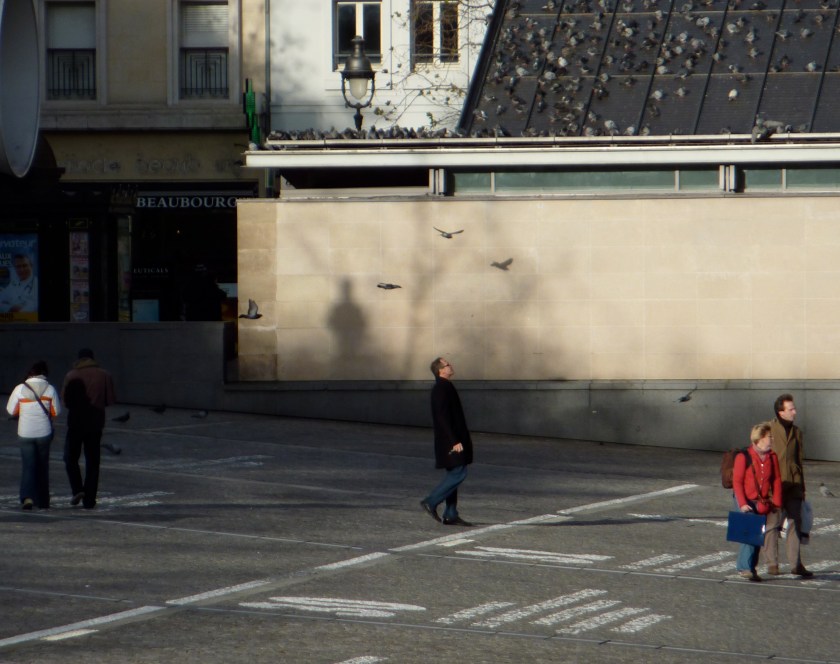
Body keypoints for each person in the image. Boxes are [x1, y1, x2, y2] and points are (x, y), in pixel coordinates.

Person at [420, 357, 474, 527]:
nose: (451, 366)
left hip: (452, 439)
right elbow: (442, 418)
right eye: (447, 364)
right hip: (449, 441)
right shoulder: (441, 388)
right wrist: (454, 440)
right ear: (441, 370)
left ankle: (451, 513)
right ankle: (431, 501)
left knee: (454, 473)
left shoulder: (445, 386)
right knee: (460, 472)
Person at [62, 348, 117, 509]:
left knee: (70, 458)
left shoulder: (71, 375)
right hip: (96, 423)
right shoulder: (104, 374)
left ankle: (77, 489)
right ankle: (90, 500)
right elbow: (111, 400)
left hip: (75, 423)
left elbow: (65, 402)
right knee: (93, 461)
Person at [766, 394, 814, 577]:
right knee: (772, 524)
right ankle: (772, 563)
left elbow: (799, 461)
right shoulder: (769, 429)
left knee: (795, 522)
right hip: (775, 484)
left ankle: (796, 564)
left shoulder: (797, 432)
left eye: (794, 408)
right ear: (781, 412)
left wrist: (802, 488)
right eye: (791, 409)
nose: (795, 411)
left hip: (793, 484)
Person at [732, 422, 783, 582]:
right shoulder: (743, 456)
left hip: (761, 500)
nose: (772, 439)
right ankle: (745, 568)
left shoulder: (772, 456)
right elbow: (737, 482)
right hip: (745, 499)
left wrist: (776, 501)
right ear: (760, 438)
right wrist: (742, 504)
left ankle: (749, 567)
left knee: (757, 535)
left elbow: (776, 479)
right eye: (769, 437)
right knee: (750, 534)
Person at [6, 361, 60, 510]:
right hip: (44, 433)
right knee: (43, 466)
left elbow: (11, 410)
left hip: (25, 433)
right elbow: (57, 411)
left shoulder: (20, 389)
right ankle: (43, 501)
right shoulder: (50, 389)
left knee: (28, 466)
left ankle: (28, 497)